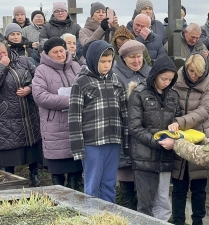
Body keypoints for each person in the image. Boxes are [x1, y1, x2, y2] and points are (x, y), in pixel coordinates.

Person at [68, 40, 129, 203]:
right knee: (92, 185)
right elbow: (74, 117)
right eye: (103, 61)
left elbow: (124, 112)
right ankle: (91, 216)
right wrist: (78, 148)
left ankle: (110, 217)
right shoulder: (81, 83)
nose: (106, 65)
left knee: (109, 183)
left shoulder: (116, 81)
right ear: (94, 60)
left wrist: (127, 143)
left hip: (113, 140)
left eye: (110, 61)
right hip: (92, 142)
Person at [128, 54, 181, 220]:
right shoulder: (139, 94)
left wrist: (177, 127)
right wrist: (157, 142)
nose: (167, 83)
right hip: (144, 157)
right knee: (145, 205)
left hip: (165, 156)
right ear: (155, 74)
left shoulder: (173, 95)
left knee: (163, 202)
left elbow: (177, 118)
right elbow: (134, 127)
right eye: (164, 78)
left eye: (170, 80)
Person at [167, 53, 209, 225]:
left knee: (199, 189)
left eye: (197, 72)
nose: (193, 75)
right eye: (190, 71)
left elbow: (205, 111)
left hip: (199, 139)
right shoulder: (175, 82)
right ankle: (178, 221)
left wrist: (179, 122)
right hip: (179, 139)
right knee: (179, 188)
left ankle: (198, 221)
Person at [32, 37, 82, 190]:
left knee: (75, 169)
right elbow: (40, 96)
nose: (60, 54)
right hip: (54, 125)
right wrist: (71, 100)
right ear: (47, 54)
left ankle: (75, 196)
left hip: (75, 123)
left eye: (62, 50)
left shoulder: (75, 66)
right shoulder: (42, 70)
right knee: (58, 171)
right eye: (55, 52)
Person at [113, 40, 150, 210]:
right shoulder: (115, 74)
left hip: (145, 129)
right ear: (123, 58)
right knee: (126, 169)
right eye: (132, 57)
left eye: (139, 57)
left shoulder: (149, 73)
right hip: (124, 129)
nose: (136, 61)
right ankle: (127, 207)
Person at [0, 41, 41, 186]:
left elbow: (38, 77)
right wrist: (2, 66)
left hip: (28, 111)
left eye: (3, 52)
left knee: (31, 144)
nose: (2, 56)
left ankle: (34, 173)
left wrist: (29, 88)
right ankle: (9, 178)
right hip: (6, 115)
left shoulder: (23, 61)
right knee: (9, 147)